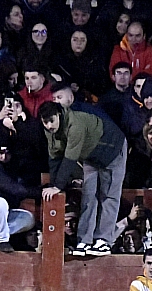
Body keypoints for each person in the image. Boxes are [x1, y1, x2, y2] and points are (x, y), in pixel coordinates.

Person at [40, 100, 127, 258]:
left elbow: (69, 158)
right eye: (45, 122)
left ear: (59, 115)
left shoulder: (75, 124)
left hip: (112, 148)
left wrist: (58, 186)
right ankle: (84, 240)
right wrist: (54, 185)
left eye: (51, 120)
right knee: (88, 195)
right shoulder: (50, 131)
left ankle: (103, 240)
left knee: (109, 195)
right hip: (90, 155)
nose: (48, 125)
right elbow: (55, 158)